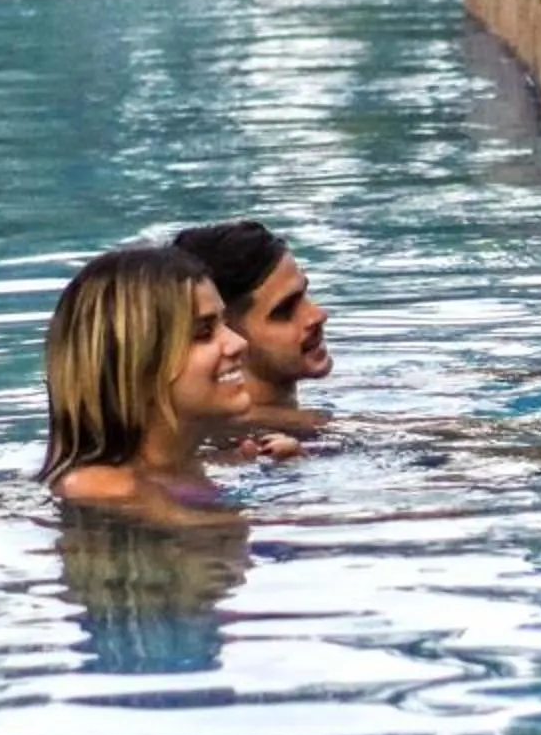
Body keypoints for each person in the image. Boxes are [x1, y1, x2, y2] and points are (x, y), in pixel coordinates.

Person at [40, 243, 283, 519]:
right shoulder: (104, 488)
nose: (238, 343)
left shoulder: (185, 469)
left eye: (224, 324)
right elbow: (214, 537)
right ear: (138, 368)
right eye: (203, 332)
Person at [173, 220, 332, 434]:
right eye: (284, 311)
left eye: (305, 294)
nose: (318, 315)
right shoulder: (238, 447)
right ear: (224, 331)